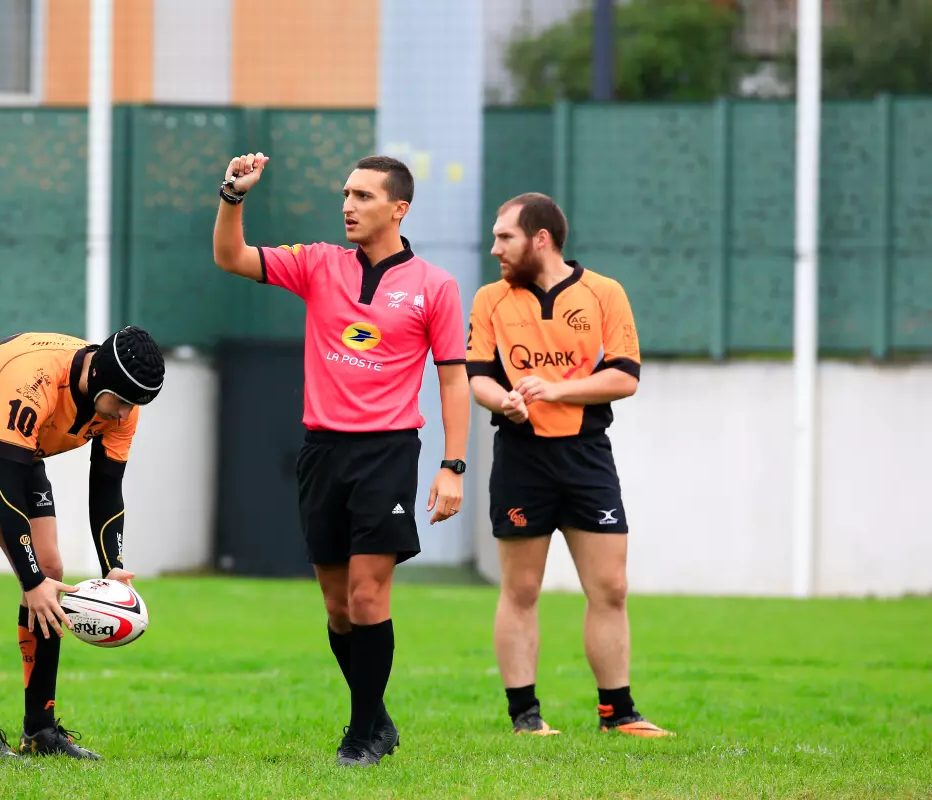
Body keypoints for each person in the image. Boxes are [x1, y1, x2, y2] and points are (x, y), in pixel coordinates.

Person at [213, 152, 472, 765]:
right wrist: (233, 196)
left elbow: (454, 382)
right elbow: (231, 257)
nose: (348, 205)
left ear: (398, 208)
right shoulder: (318, 264)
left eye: (362, 196)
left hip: (386, 452)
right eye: (345, 194)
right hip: (321, 450)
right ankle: (377, 720)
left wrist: (452, 465)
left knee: (366, 597)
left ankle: (361, 736)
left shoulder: (435, 286)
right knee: (335, 606)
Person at [466, 193, 673, 738]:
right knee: (521, 590)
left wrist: (555, 390)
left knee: (610, 587)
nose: (494, 249)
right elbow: (479, 376)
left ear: (541, 239)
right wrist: (502, 399)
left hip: (586, 459)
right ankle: (524, 718)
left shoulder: (605, 293)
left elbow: (625, 376)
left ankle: (618, 714)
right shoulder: (490, 299)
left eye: (504, 237)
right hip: (520, 460)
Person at [0, 327, 166, 759]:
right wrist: (29, 582)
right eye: (121, 402)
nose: (125, 415)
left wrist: (113, 566)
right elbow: (8, 489)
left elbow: (106, 485)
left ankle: (41, 730)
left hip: (17, 450)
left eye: (135, 405)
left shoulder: (123, 407)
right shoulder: (37, 380)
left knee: (51, 572)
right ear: (97, 379)